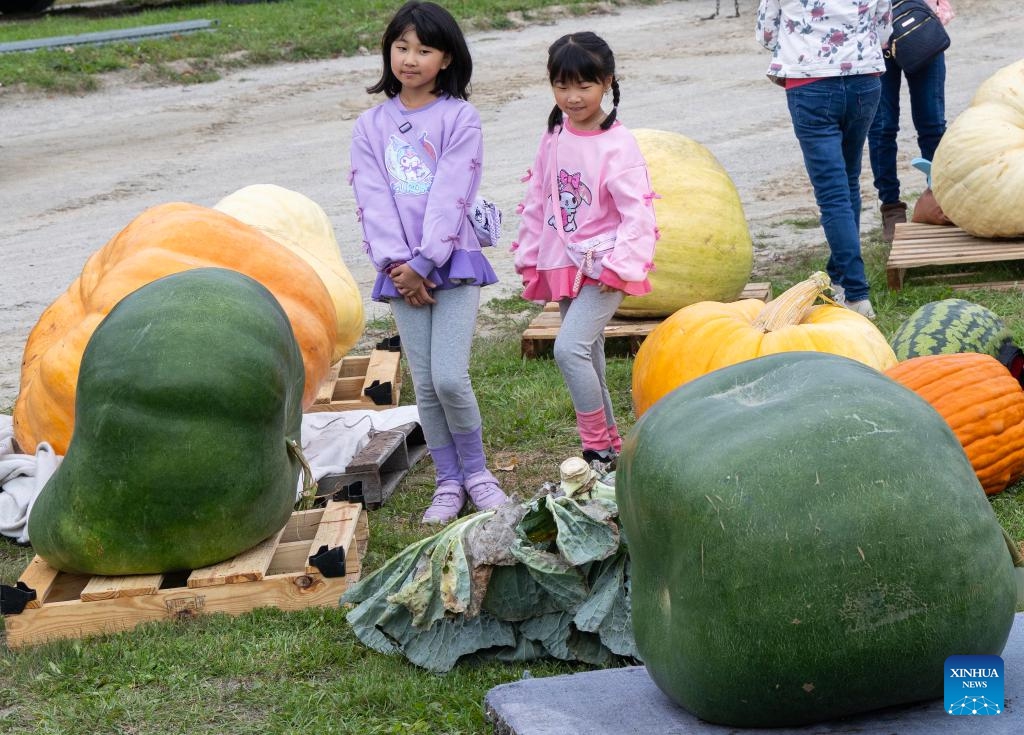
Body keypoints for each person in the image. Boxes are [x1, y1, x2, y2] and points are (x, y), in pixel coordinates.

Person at [349, 1, 507, 524]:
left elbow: (452, 191)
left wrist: (425, 261)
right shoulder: (370, 126)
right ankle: (448, 480)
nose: (410, 59)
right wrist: (399, 265)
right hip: (400, 272)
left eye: (424, 49)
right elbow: (373, 198)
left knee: (450, 378)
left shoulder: (459, 117)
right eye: (401, 47)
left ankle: (478, 473)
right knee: (424, 379)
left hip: (452, 261)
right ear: (387, 51)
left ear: (446, 59)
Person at [512, 32, 657, 467]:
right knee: (588, 353)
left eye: (584, 86)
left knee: (568, 348)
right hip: (564, 262)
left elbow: (639, 213)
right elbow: (540, 195)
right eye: (561, 85)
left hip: (605, 265)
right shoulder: (555, 134)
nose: (572, 97)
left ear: (607, 82)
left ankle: (593, 445)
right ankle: (613, 451)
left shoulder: (618, 144)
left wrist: (622, 266)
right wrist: (532, 253)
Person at [756, 1, 893, 320]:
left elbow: (765, 33)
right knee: (847, 182)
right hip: (863, 79)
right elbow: (885, 29)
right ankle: (841, 276)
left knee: (833, 194)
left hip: (810, 83)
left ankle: (856, 294)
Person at [868, 0, 955, 243]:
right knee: (882, 128)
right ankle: (891, 207)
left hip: (919, 26)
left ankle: (940, 199)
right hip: (875, 38)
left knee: (932, 124)